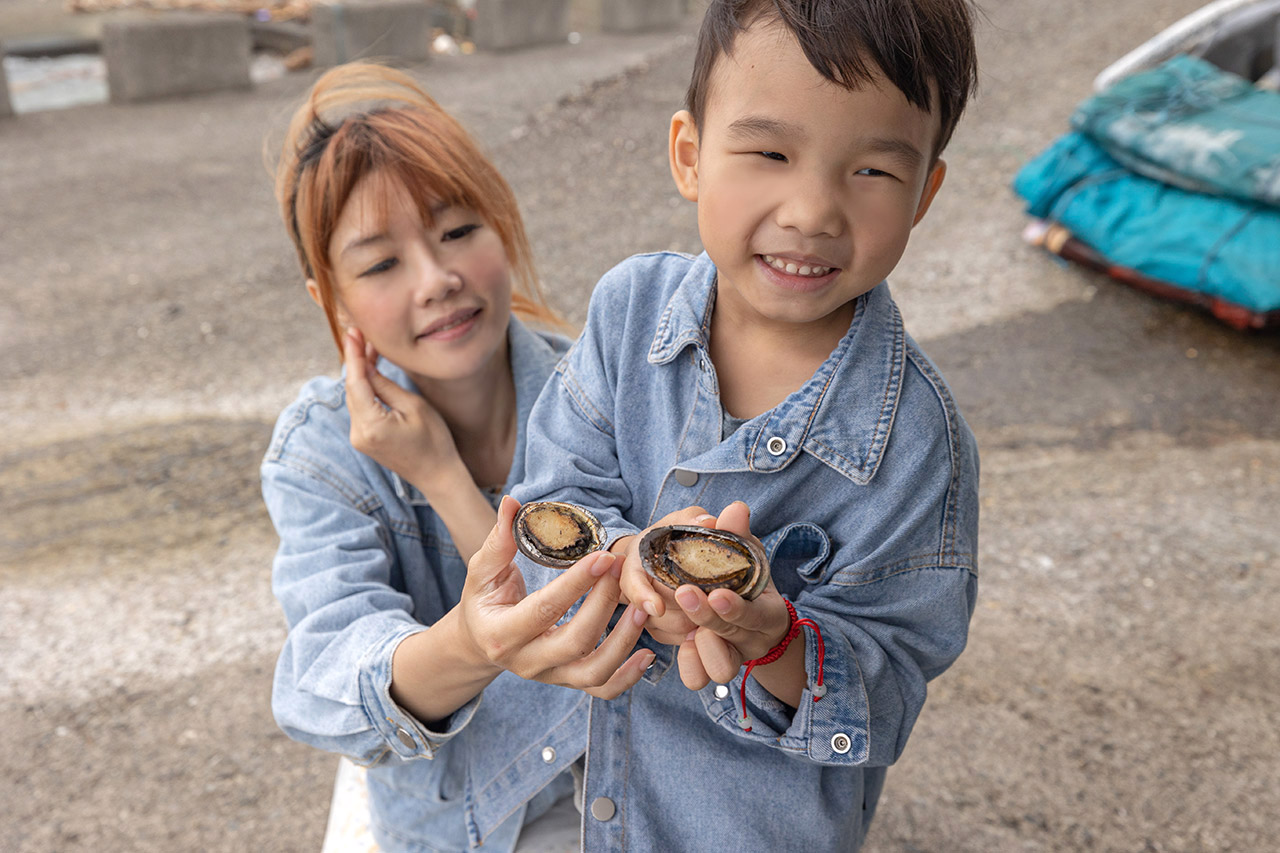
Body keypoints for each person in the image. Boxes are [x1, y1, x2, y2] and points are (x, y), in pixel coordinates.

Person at [509, 1, 981, 849]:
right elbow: (550, 501)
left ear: (925, 194)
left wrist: (775, 639)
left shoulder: (917, 442)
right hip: (578, 798)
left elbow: (889, 684)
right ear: (690, 155)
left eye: (873, 169)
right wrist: (627, 562)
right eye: (771, 153)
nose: (813, 210)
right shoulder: (627, 311)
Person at [260, 62, 656, 853]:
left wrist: (442, 475)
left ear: (501, 226)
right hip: (458, 826)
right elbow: (326, 677)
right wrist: (474, 643)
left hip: (627, 795)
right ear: (331, 299)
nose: (437, 279)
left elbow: (611, 634)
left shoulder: (606, 390)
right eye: (381, 264)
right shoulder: (320, 450)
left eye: (457, 232)